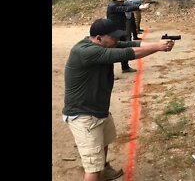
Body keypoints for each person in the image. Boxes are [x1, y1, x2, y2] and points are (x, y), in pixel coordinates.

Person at [62, 18, 175, 181]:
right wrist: (159, 47)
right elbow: (126, 53)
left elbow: (131, 45)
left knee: (104, 142)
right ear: (99, 38)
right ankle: (98, 172)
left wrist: (158, 42)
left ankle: (105, 171)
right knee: (92, 167)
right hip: (83, 115)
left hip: (98, 110)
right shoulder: (86, 51)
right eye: (113, 37)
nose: (117, 40)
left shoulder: (104, 44)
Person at [106, 0, 149, 73]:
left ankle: (125, 67)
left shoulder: (116, 4)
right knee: (110, 51)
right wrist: (139, 7)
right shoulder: (112, 6)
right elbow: (125, 8)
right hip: (113, 31)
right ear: (116, 1)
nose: (123, 2)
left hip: (120, 30)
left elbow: (127, 5)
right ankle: (108, 73)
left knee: (125, 49)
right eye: (121, 1)